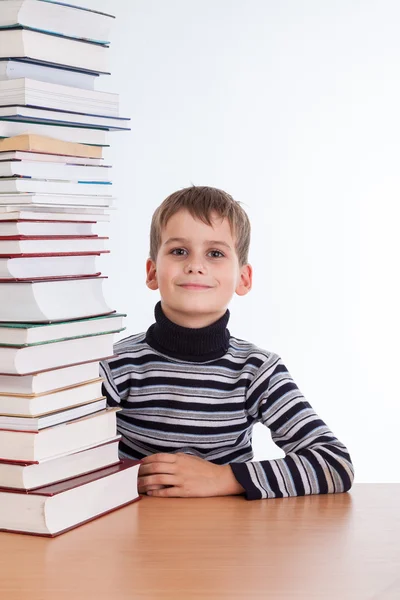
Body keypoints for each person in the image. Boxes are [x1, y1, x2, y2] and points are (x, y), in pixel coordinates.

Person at [100, 186, 354, 500]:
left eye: (215, 253)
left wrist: (224, 478)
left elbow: (334, 464)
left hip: (230, 538)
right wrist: (125, 476)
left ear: (243, 279)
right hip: (133, 533)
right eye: (179, 251)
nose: (195, 265)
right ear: (152, 272)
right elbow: (59, 458)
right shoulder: (114, 364)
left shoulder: (257, 371)